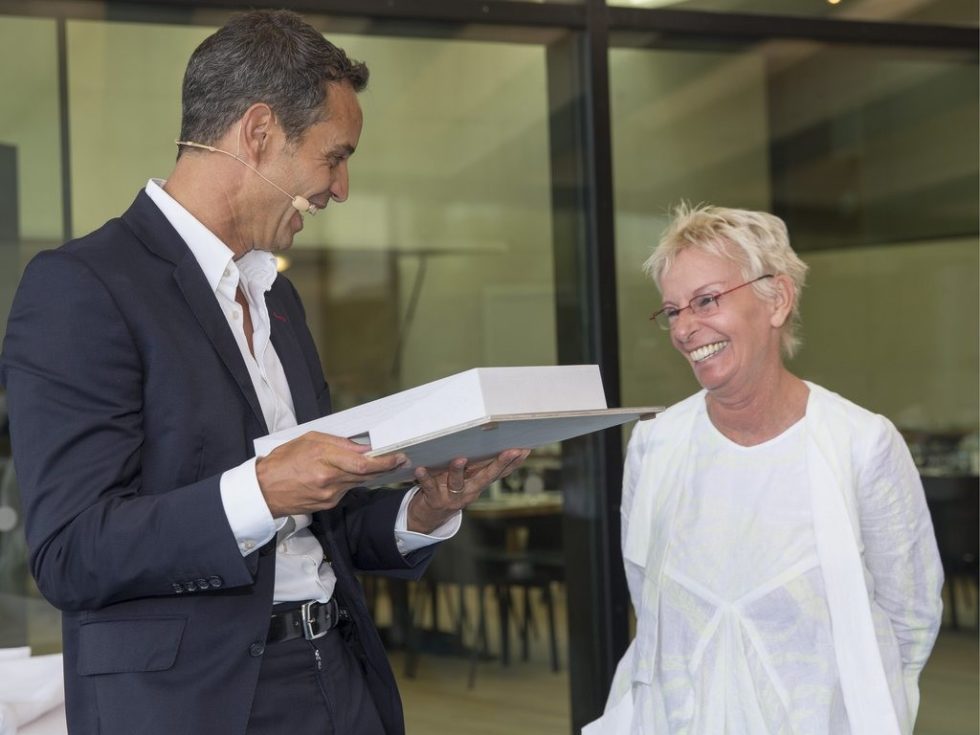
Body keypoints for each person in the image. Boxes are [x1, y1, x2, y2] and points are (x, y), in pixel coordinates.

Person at [0, 10, 527, 735]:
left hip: (338, 676)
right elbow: (71, 551)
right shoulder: (82, 287)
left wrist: (424, 511)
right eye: (334, 156)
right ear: (258, 132)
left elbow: (323, 522)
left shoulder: (276, 297)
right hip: (195, 704)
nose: (341, 188)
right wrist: (260, 490)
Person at [585, 204, 943, 735]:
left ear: (777, 300)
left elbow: (910, 621)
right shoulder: (655, 446)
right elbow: (652, 605)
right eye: (673, 310)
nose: (685, 328)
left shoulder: (860, 445)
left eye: (706, 300)